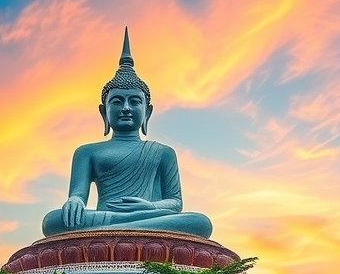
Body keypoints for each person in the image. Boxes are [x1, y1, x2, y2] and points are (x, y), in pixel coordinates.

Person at [40, 29, 213, 238]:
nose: (126, 108)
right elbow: (78, 195)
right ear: (103, 111)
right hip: (103, 217)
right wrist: (75, 202)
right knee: (53, 221)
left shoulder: (163, 153)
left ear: (147, 111)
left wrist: (150, 208)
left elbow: (175, 203)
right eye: (117, 101)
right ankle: (126, 228)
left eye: (134, 101)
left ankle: (114, 231)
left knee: (200, 223)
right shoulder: (87, 152)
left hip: (150, 216)